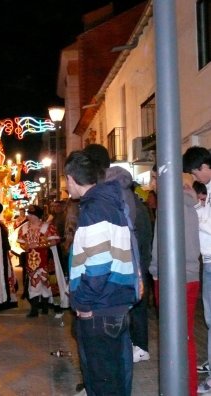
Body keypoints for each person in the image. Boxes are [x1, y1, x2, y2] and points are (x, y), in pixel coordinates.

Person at [65, 150, 137, 396]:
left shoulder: (94, 209)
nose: (66, 187)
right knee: (115, 377)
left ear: (72, 179)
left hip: (99, 307)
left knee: (102, 381)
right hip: (113, 302)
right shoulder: (109, 203)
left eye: (66, 181)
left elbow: (98, 264)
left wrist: (82, 301)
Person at [84, 143, 152, 363]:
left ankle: (134, 348)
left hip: (123, 262)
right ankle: (139, 346)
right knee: (136, 306)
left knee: (124, 309)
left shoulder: (110, 196)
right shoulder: (127, 194)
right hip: (136, 259)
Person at [149, 165, 200, 396]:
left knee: (177, 335)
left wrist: (155, 269)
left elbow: (163, 242)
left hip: (173, 276)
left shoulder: (171, 201)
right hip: (186, 274)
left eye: (153, 179)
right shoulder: (187, 200)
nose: (151, 185)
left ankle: (182, 388)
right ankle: (183, 386)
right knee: (183, 335)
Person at [182, 146, 211, 393]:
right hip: (208, 260)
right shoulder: (207, 190)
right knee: (210, 320)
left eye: (195, 172)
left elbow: (208, 224)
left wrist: (195, 211)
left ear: (205, 167)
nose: (195, 178)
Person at [17, 205, 59, 317]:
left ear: (36, 216)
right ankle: (34, 309)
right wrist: (25, 246)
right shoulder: (24, 228)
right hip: (31, 261)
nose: (28, 216)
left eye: (31, 214)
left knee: (46, 283)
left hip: (45, 259)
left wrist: (39, 245)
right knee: (33, 283)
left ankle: (45, 306)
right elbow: (21, 243)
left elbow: (54, 242)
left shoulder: (47, 227)